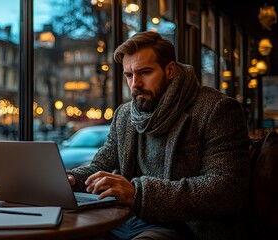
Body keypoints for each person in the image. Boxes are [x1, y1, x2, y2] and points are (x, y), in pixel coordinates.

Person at [67, 31, 250, 240]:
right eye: (129, 75)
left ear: (170, 70)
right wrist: (72, 179)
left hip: (184, 228)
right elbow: (102, 165)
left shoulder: (217, 110)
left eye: (144, 72)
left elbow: (225, 190)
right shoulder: (125, 115)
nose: (135, 83)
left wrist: (138, 194)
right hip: (122, 219)